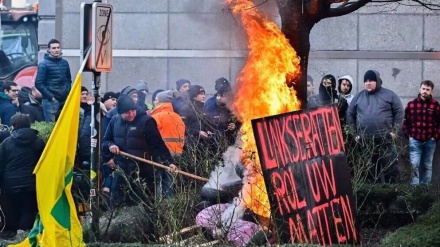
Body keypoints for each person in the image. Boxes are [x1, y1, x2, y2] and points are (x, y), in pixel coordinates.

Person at [101, 95, 177, 206]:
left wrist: (169, 162)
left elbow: (158, 145)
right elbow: (105, 141)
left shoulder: (147, 121)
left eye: (133, 110)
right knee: (116, 203)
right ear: (119, 113)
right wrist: (109, 147)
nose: (131, 114)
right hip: (122, 170)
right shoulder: (114, 121)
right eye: (127, 112)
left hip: (144, 171)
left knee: (145, 204)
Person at [347, 70, 404, 183]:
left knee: (390, 170)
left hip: (386, 139)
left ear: (377, 81)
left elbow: (399, 111)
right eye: (366, 81)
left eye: (371, 80)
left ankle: (392, 197)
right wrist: (355, 134)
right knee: (369, 173)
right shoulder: (359, 97)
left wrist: (395, 131)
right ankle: (372, 199)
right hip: (365, 141)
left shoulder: (389, 95)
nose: (368, 83)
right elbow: (350, 114)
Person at [0, 114, 45, 234]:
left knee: (13, 207)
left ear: (13, 125)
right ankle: (24, 231)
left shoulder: (6, 143)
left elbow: (1, 164)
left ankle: (13, 232)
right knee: (28, 208)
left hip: (11, 182)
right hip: (31, 182)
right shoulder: (38, 142)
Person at [402, 80, 440, 185]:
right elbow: (405, 122)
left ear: (431, 91)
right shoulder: (411, 105)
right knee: (414, 165)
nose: (425, 91)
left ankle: (425, 192)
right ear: (420, 89)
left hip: (430, 140)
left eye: (428, 90)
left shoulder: (436, 106)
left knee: (428, 165)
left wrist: (435, 137)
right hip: (415, 139)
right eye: (423, 89)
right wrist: (408, 136)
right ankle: (415, 192)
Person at [150, 90, 185, 197]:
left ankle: (159, 207)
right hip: (177, 153)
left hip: (161, 154)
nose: (154, 102)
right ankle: (170, 206)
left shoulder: (156, 117)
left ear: (161, 102)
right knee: (169, 182)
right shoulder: (177, 117)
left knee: (158, 181)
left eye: (156, 100)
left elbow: (152, 137)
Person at [35, 39, 72, 122]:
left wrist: (68, 91)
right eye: (54, 48)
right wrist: (51, 97)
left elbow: (69, 79)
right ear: (48, 50)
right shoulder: (43, 64)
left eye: (58, 47)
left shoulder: (65, 63)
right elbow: (38, 83)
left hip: (64, 99)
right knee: (51, 127)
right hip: (50, 100)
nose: (56, 50)